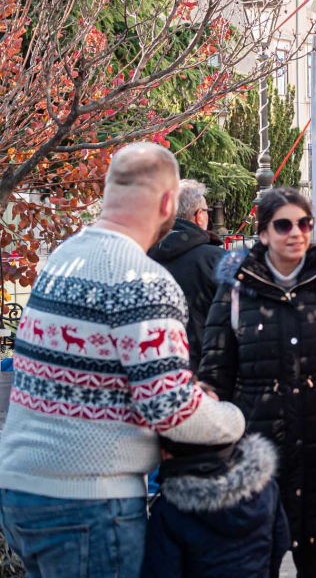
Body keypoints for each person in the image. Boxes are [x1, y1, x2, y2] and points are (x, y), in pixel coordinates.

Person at [0, 143, 245, 578]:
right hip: (90, 501)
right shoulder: (143, 280)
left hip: (21, 489)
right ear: (169, 204)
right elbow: (172, 410)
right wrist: (234, 418)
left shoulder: (62, 258)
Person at [199, 188, 316, 578]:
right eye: (283, 225)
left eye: (304, 223)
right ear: (264, 232)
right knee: (255, 566)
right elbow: (215, 372)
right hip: (256, 455)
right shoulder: (237, 287)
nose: (296, 233)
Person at [141, 433, 290, 578]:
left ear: (166, 454)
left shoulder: (169, 508)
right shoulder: (265, 486)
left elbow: (162, 570)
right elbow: (281, 540)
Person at [149, 178, 226, 372]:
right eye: (206, 211)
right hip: (205, 370)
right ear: (199, 216)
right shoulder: (216, 260)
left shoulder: (143, 255)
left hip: (155, 367)